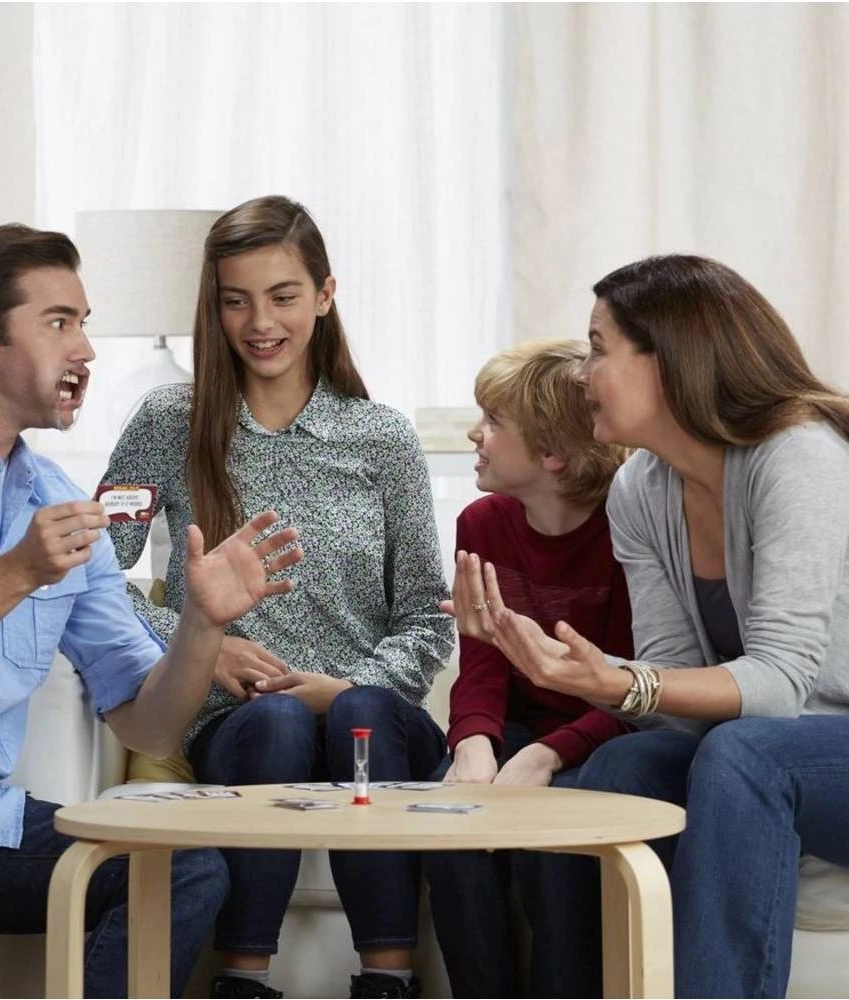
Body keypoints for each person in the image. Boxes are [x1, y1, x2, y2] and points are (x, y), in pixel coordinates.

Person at [0, 223, 305, 999]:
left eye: (83, 323)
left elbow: (148, 725)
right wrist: (17, 572)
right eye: (59, 322)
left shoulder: (59, 504)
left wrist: (202, 625)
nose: (86, 349)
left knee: (183, 869)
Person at [449, 254, 849, 999]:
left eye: (598, 348)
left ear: (668, 363)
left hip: (823, 745)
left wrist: (615, 681)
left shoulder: (798, 458)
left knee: (743, 753)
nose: (580, 374)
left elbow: (781, 685)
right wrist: (573, 673)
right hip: (768, 745)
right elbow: (669, 688)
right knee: (620, 769)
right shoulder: (641, 488)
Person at [100, 195, 454, 1000]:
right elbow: (90, 581)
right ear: (213, 306)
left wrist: (347, 687)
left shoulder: (383, 437)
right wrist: (200, 641)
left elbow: (427, 617)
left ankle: (388, 983)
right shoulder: (167, 421)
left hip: (370, 717)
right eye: (237, 300)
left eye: (283, 296)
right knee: (279, 722)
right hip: (241, 722)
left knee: (357, 713)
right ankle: (244, 981)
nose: (260, 322)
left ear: (325, 296)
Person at [421, 340, 633, 998]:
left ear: (552, 455)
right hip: (519, 728)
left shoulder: (627, 529)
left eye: (493, 421)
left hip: (603, 734)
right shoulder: (482, 522)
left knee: (556, 840)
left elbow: (635, 688)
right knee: (448, 812)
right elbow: (481, 661)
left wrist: (546, 756)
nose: (474, 433)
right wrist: (472, 745)